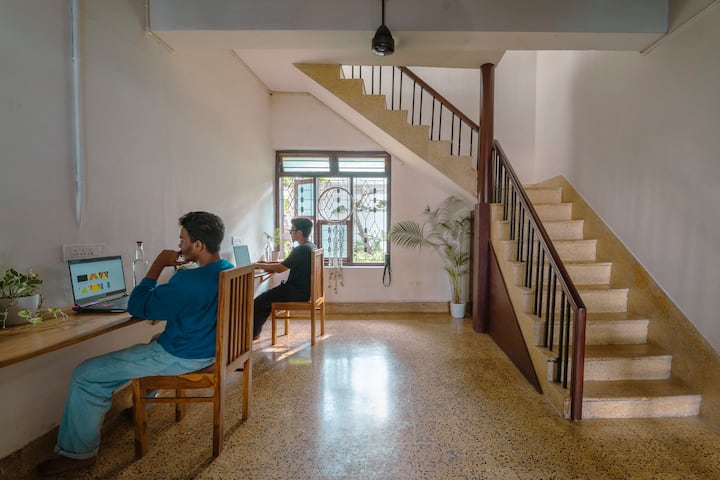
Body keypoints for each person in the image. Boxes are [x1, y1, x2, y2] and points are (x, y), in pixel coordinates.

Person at [37, 211, 233, 476]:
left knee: (86, 374)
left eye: (182, 240)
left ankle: (77, 454)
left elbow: (138, 306)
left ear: (197, 245)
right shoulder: (228, 269)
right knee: (155, 338)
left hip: (183, 356)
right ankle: (144, 405)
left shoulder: (188, 280)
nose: (179, 245)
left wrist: (158, 265)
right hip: (211, 350)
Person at [253, 217, 316, 340]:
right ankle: (254, 331)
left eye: (292, 230)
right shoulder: (310, 246)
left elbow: (280, 268)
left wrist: (258, 265)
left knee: (260, 301)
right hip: (303, 290)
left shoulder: (301, 249)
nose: (290, 232)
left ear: (299, 232)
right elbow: (286, 263)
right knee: (266, 299)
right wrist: (267, 263)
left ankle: (253, 334)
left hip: (296, 291)